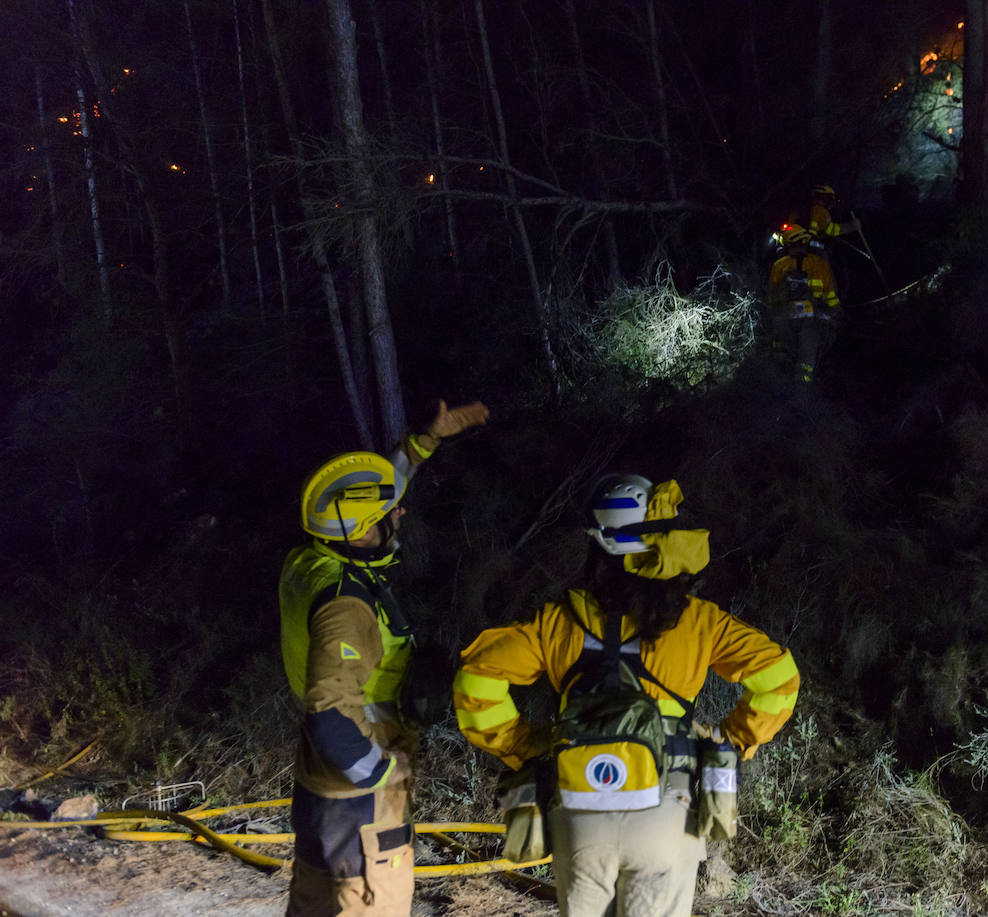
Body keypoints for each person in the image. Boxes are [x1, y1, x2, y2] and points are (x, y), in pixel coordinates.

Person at [453, 474, 800, 917]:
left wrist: (521, 744)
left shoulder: (557, 621)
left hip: (579, 814)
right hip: (666, 815)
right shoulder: (698, 621)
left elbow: (476, 678)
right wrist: (730, 740)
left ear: (597, 547)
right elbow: (779, 677)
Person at [279, 399, 489, 916]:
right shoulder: (348, 608)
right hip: (359, 796)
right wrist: (382, 773)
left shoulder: (311, 559)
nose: (399, 512)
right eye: (387, 514)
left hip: (320, 788)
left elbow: (371, 500)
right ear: (363, 533)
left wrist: (422, 444)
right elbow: (330, 716)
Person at [766, 226, 841, 383]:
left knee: (780, 359)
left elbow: (772, 298)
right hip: (812, 322)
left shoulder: (779, 265)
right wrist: (835, 316)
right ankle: (802, 395)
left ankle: (777, 388)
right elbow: (831, 297)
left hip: (785, 321)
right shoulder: (820, 264)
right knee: (806, 366)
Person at [807, 183, 861, 250]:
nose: (831, 202)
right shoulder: (820, 211)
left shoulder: (810, 209)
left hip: (807, 244)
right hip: (810, 247)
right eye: (829, 198)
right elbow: (829, 230)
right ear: (820, 196)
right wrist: (850, 226)